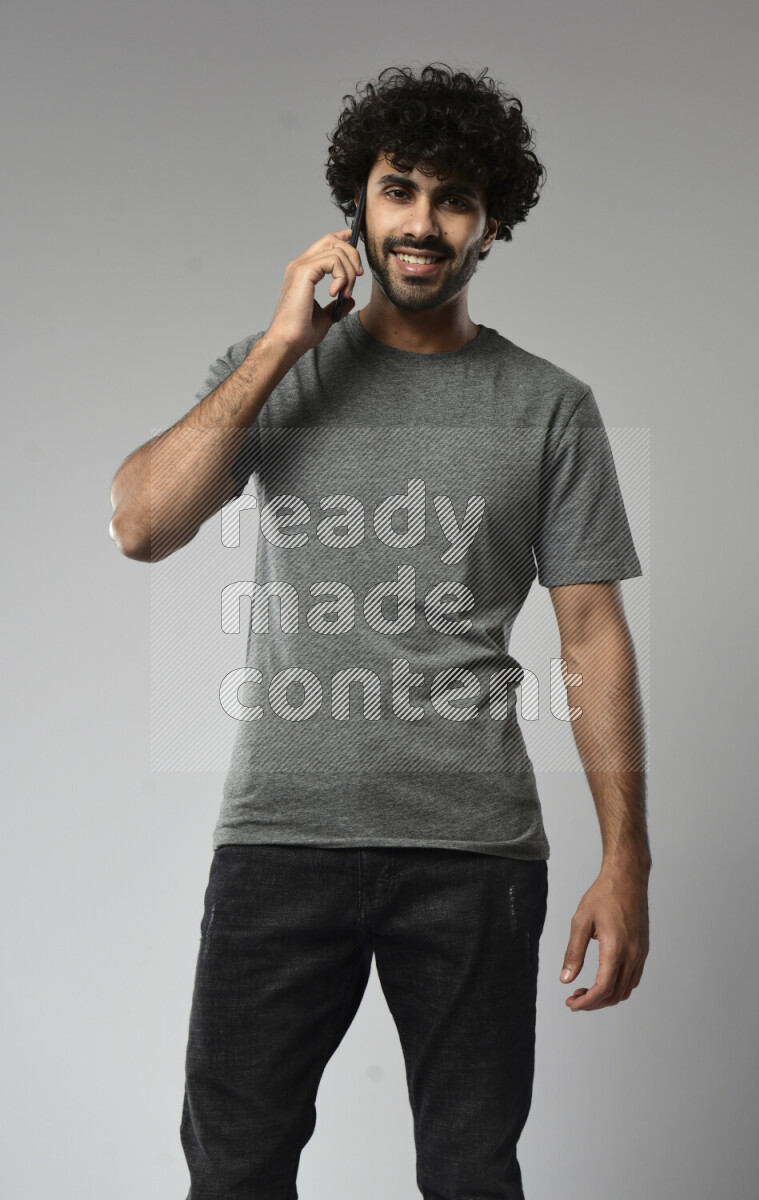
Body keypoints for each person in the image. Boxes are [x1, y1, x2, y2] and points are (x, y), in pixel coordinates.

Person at [109, 63, 651, 1200]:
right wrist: (273, 348)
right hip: (279, 837)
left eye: (453, 197)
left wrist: (625, 861)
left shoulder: (547, 406)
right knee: (234, 1173)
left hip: (473, 853)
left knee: (468, 1176)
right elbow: (141, 523)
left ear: (490, 224)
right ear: (354, 204)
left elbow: (592, 637)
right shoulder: (276, 380)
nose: (420, 220)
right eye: (397, 188)